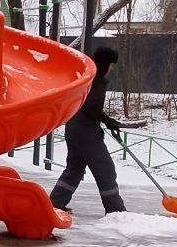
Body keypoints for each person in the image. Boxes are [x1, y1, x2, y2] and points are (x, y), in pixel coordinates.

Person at [49, 46, 127, 215]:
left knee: (75, 168)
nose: (112, 69)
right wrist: (108, 121)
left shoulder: (85, 77)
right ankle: (116, 210)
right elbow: (91, 108)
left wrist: (105, 122)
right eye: (112, 65)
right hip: (86, 132)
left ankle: (55, 202)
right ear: (106, 63)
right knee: (105, 168)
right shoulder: (96, 80)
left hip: (74, 128)